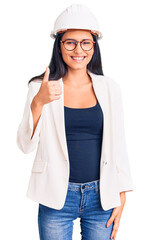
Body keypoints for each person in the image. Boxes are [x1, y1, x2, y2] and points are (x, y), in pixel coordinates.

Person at [16, 4, 134, 240]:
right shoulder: (40, 88)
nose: (78, 49)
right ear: (59, 46)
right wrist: (38, 102)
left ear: (93, 46)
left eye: (86, 42)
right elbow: (25, 145)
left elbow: (119, 143)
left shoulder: (110, 88)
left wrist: (121, 194)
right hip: (55, 195)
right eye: (70, 42)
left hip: (101, 196)